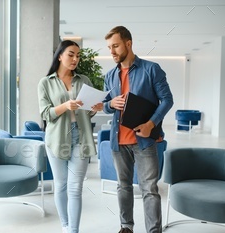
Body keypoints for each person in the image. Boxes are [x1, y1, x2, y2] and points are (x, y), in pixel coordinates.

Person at [103, 26, 174, 233]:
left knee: (149, 189)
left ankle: (153, 230)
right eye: (109, 47)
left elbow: (167, 100)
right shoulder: (110, 75)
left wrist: (151, 124)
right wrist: (110, 105)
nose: (112, 51)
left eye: (115, 46)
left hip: (144, 140)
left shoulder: (152, 69)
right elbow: (106, 104)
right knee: (122, 186)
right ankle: (126, 227)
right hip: (118, 141)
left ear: (128, 43)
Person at [37, 40, 103, 233]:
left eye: (78, 55)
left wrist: (95, 108)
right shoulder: (45, 82)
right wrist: (65, 106)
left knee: (75, 187)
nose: (75, 59)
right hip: (56, 138)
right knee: (61, 185)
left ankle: (73, 230)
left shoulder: (84, 80)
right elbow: (45, 114)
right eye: (71, 54)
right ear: (60, 56)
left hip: (81, 137)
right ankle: (65, 226)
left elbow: (87, 112)